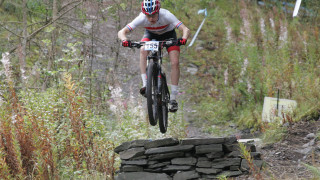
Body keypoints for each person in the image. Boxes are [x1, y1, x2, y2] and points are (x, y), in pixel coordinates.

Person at [118, 0, 190, 112]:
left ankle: (174, 98)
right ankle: (145, 84)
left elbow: (185, 29)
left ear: (158, 11)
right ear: (144, 13)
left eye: (153, 15)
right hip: (151, 35)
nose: (151, 18)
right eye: (148, 15)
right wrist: (124, 40)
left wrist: (184, 39)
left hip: (169, 35)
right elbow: (122, 32)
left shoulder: (166, 15)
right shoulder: (141, 18)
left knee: (175, 62)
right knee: (143, 50)